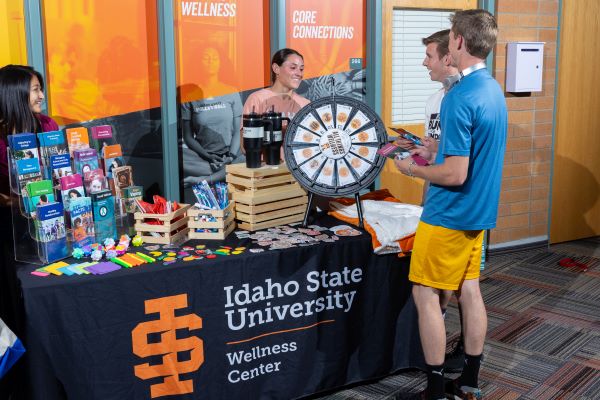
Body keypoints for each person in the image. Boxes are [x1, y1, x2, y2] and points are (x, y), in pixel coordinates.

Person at [394, 10, 507, 400]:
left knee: (426, 296)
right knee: (469, 290)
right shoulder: (491, 89)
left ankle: (435, 391)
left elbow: (456, 175)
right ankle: (470, 382)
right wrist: (436, 149)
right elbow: (472, 157)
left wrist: (412, 169)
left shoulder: (458, 97)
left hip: (448, 214)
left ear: (457, 41)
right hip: (478, 214)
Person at [395, 29, 465, 372]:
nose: (424, 62)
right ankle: (441, 344)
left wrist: (411, 170)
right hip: (435, 196)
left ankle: (445, 359)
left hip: (455, 202)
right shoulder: (435, 100)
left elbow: (458, 165)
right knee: (441, 287)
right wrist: (423, 150)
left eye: (429, 56)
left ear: (448, 56)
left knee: (448, 287)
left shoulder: (462, 99)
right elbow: (438, 148)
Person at [0, 64, 59, 397]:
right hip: (10, 239)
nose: (41, 95)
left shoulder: (47, 126)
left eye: (40, 88)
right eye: (35, 89)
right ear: (14, 94)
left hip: (48, 228)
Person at [181, 46, 244, 188]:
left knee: (246, 159)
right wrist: (207, 156)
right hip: (203, 156)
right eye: (206, 58)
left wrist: (231, 156)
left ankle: (206, 179)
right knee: (178, 157)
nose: (211, 61)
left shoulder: (231, 92)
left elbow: (238, 130)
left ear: (221, 63)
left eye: (215, 58)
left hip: (231, 153)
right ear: (199, 63)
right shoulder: (190, 96)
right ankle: (223, 173)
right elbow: (188, 137)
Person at [240, 48, 310, 156]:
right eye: (293, 67)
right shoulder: (257, 99)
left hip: (297, 171)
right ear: (276, 68)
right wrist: (279, 131)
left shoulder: (305, 104)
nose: (299, 73)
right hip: (267, 170)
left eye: (301, 69)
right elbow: (245, 147)